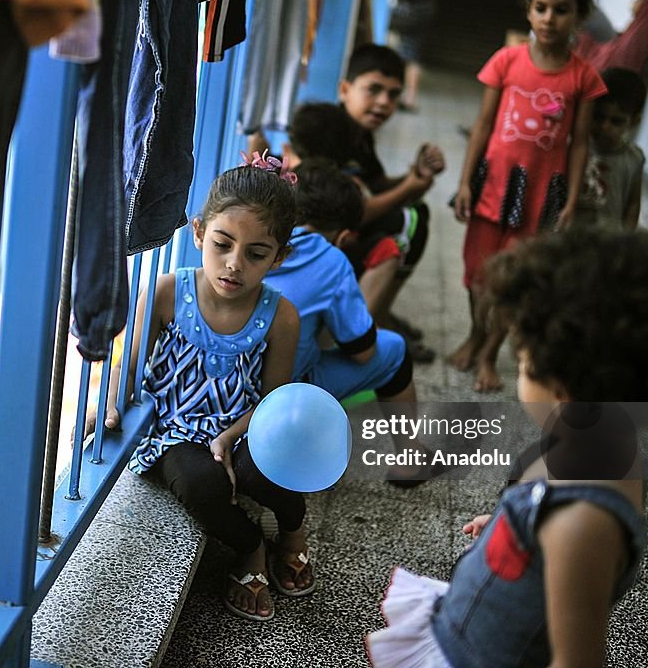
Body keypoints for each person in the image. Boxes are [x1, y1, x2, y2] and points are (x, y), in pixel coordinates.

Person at [367, 227, 648, 668]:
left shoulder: (583, 521)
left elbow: (575, 659)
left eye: (522, 360)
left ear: (562, 389)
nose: (520, 370)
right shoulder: (601, 440)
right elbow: (543, 519)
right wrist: (511, 527)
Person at [91, 162, 310, 622]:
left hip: (244, 425)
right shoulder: (168, 293)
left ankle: (292, 532)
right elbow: (127, 367)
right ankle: (250, 547)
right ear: (198, 232)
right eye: (222, 244)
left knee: (273, 474)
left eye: (256, 253)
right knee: (200, 485)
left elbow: (273, 401)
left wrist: (231, 437)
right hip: (176, 430)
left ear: (279, 257)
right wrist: (108, 401)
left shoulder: (282, 316)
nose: (234, 264)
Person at [450, 0, 607, 392]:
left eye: (561, 10)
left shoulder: (583, 77)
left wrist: (571, 200)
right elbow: (482, 125)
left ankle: (487, 352)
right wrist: (465, 181)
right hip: (493, 189)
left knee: (515, 279)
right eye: (541, 8)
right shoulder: (506, 60)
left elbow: (580, 143)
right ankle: (474, 331)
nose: (549, 19)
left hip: (539, 197)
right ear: (529, 11)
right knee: (477, 273)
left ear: (579, 15)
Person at [264, 160, 445, 485]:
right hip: (279, 396)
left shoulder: (258, 234)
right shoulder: (332, 260)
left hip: (221, 384)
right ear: (345, 236)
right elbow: (363, 352)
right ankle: (410, 460)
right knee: (394, 350)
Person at [337, 44, 446, 360]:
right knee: (405, 221)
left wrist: (415, 173)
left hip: (346, 235)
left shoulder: (360, 133)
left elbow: (377, 186)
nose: (384, 102)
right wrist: (410, 186)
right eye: (374, 90)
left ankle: (382, 310)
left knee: (416, 212)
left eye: (393, 95)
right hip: (328, 244)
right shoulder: (334, 133)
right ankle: (372, 324)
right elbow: (354, 214)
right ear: (345, 89)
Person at [576, 67, 647, 229]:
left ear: (634, 121)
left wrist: (626, 240)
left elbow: (633, 204)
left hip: (608, 238)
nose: (604, 127)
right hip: (572, 234)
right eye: (598, 117)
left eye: (616, 121)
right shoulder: (575, 148)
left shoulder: (634, 158)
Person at [388, 0, 438, 112]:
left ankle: (402, 95)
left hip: (412, 8)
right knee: (413, 53)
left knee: (406, 52)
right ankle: (410, 97)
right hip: (424, 5)